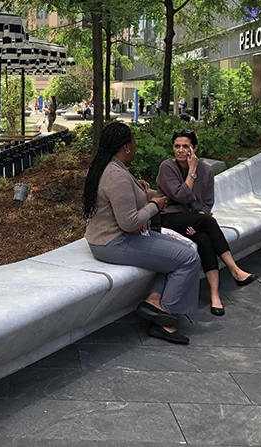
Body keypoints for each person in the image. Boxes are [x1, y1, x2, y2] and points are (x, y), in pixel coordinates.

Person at [83, 122, 201, 344]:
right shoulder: (115, 175)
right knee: (188, 258)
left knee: (183, 249)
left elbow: (119, 197)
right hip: (115, 242)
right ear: (125, 147)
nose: (135, 146)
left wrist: (138, 189)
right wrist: (155, 205)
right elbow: (129, 223)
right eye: (133, 141)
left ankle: (153, 301)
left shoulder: (107, 166)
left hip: (111, 238)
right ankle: (165, 318)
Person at [156, 129, 258, 316]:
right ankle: (234, 270)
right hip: (170, 218)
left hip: (195, 220)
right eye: (177, 146)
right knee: (208, 222)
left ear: (194, 148)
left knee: (204, 239)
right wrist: (192, 171)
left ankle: (214, 295)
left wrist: (198, 220)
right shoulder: (167, 167)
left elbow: (208, 202)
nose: (180, 150)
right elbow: (181, 196)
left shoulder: (207, 171)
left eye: (185, 146)